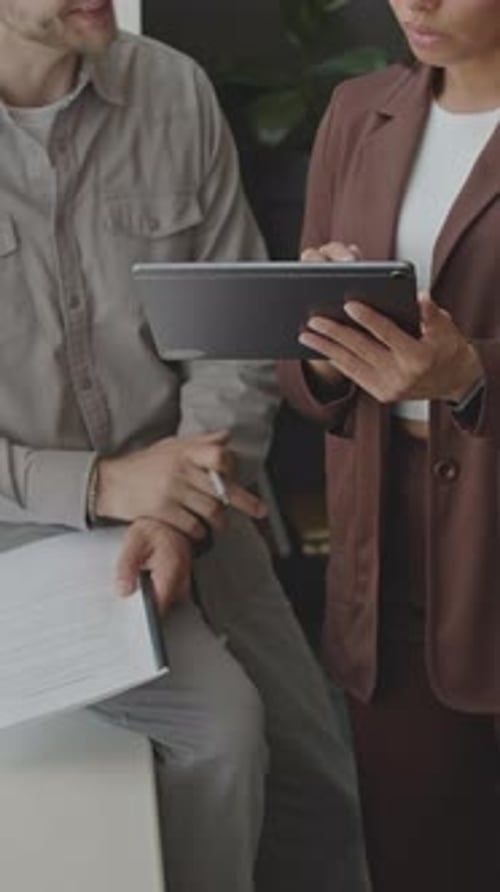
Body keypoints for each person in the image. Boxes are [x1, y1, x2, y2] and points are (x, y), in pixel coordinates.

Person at [0, 2, 371, 891]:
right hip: (20, 534)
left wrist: (183, 505)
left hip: (196, 497)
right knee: (220, 734)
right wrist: (99, 485)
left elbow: (231, 335)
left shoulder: (173, 87)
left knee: (322, 791)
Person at [279, 1, 500, 890]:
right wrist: (328, 362)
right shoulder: (357, 110)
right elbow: (299, 369)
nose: (417, 1)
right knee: (415, 855)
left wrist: (470, 376)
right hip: (389, 553)